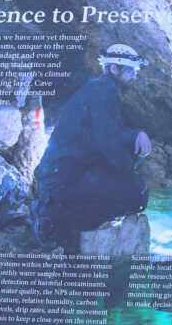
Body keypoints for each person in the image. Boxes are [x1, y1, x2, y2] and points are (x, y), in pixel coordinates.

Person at [31, 44, 152, 253]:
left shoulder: (104, 89)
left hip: (74, 167)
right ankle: (52, 215)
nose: (134, 78)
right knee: (136, 197)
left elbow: (112, 131)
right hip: (61, 179)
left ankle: (69, 210)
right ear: (114, 69)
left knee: (133, 151)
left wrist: (137, 134)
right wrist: (131, 179)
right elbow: (108, 141)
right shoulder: (101, 90)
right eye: (131, 71)